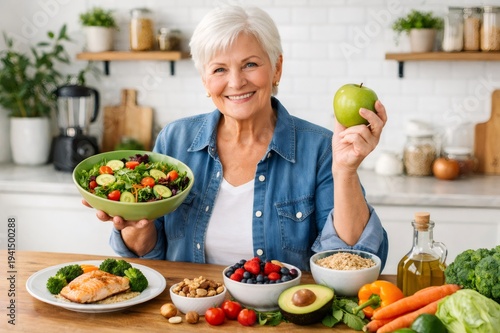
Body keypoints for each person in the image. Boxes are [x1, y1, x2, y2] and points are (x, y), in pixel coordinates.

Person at [87, 4, 389, 271]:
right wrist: (132, 225)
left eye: (250, 64)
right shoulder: (174, 141)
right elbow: (152, 259)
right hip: (191, 314)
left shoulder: (321, 147)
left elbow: (350, 260)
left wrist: (345, 170)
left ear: (277, 69)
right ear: (206, 81)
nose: (236, 82)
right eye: (219, 69)